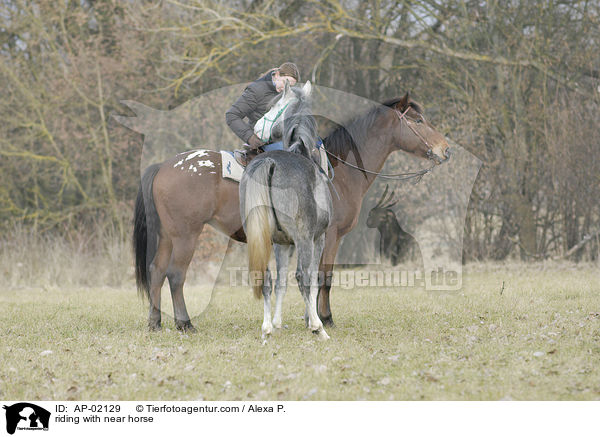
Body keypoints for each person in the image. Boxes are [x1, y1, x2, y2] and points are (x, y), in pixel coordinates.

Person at [226, 62, 300, 166]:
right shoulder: (256, 91)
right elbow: (232, 115)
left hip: (285, 140)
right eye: (284, 82)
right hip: (264, 144)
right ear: (277, 75)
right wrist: (250, 137)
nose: (286, 88)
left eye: (290, 86)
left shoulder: (288, 94)